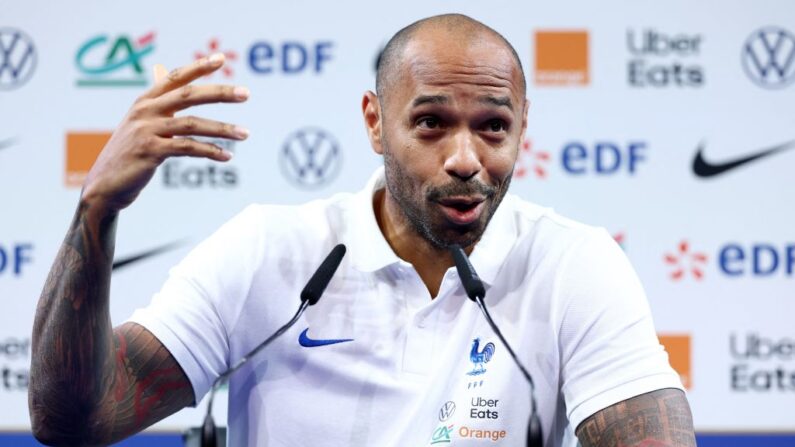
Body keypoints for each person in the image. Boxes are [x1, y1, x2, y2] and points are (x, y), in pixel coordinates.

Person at [29, 14, 696, 447]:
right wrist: (94, 213)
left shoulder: (571, 262)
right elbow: (73, 420)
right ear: (375, 122)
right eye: (431, 122)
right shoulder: (269, 250)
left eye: (492, 126)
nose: (466, 158)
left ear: (523, 123)